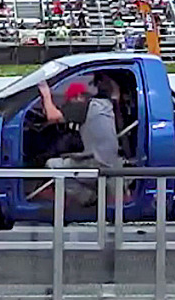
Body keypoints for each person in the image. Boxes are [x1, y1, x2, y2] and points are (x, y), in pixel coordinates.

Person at [34, 75, 122, 211]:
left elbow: (52, 116)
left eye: (70, 101)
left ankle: (87, 197)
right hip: (113, 161)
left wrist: (46, 93)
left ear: (78, 97)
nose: (69, 104)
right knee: (71, 159)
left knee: (52, 165)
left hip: (97, 163)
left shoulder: (83, 106)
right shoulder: (104, 105)